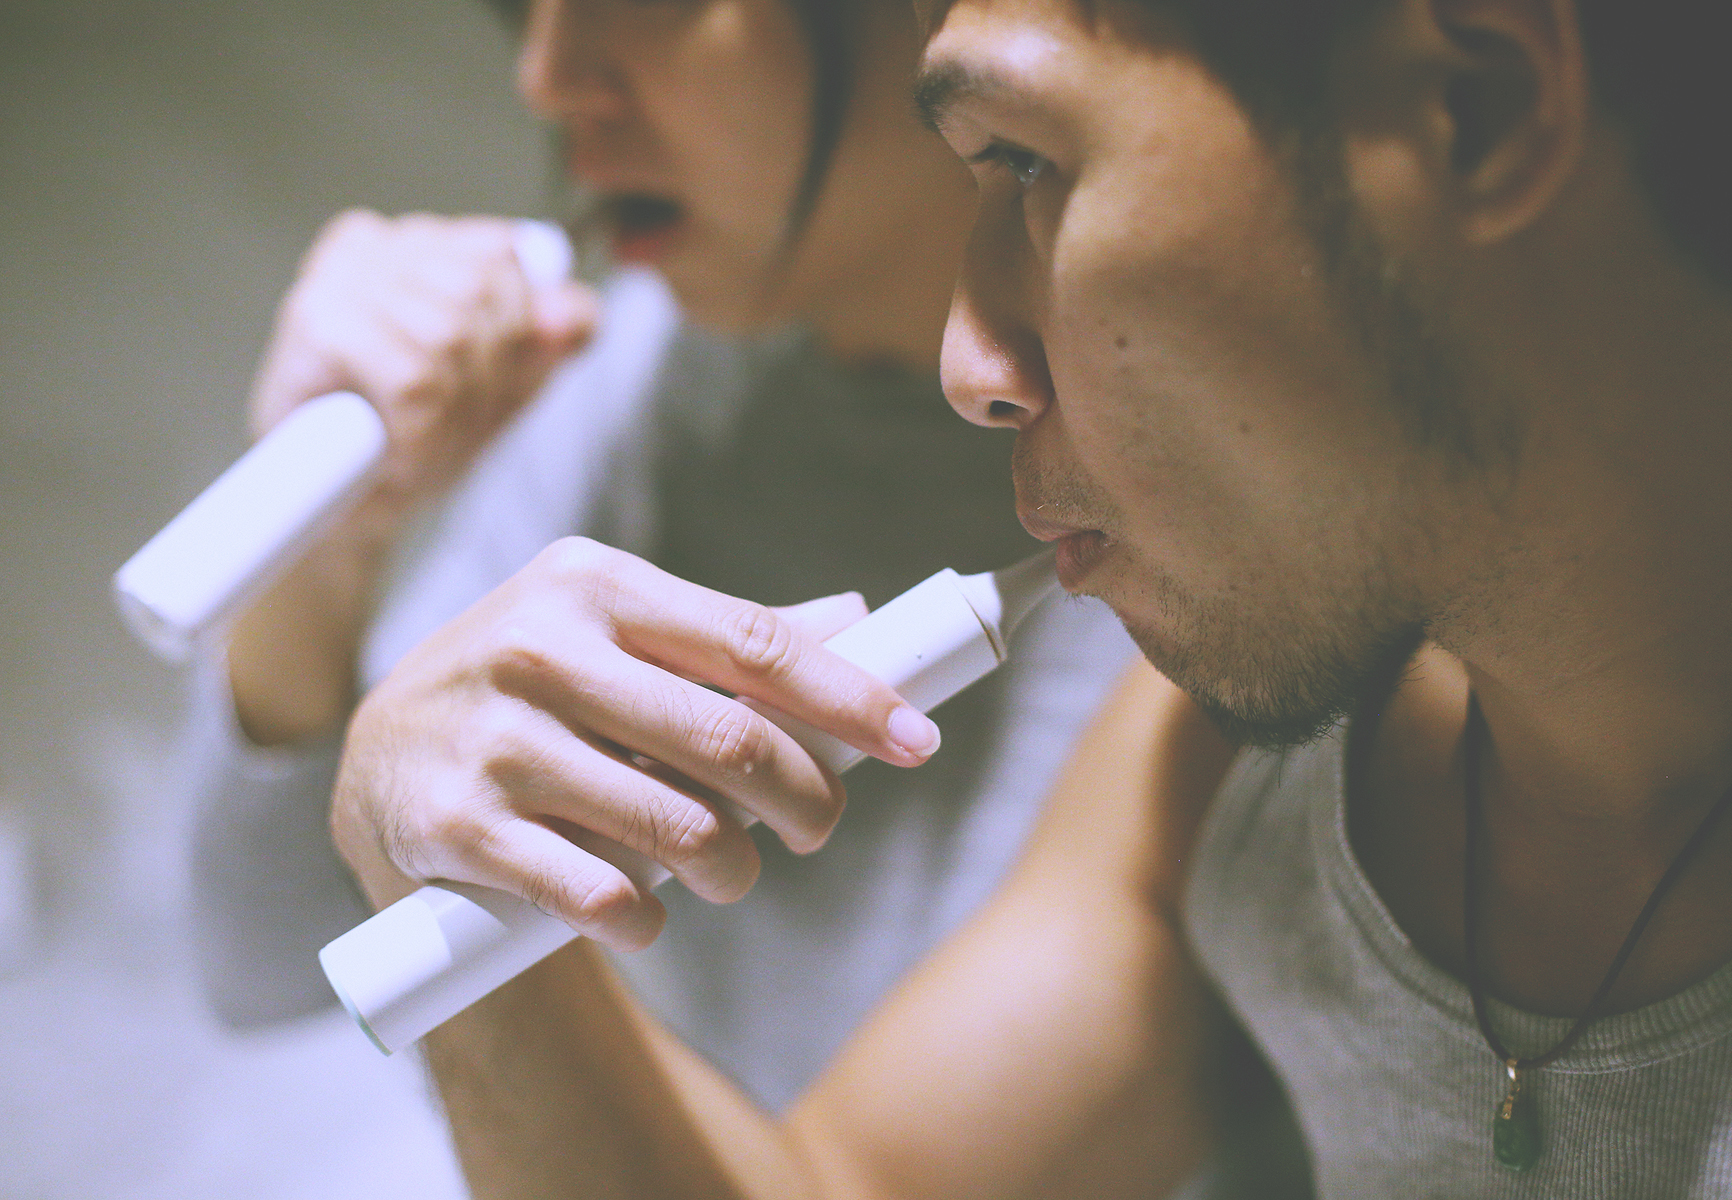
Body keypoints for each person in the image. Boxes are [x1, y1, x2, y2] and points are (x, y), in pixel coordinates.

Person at [319, 0, 1732, 1194]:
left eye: (1026, 163)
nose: (970, 366)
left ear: (1474, 108)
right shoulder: (1220, 762)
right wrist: (443, 865)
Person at [183, 0, 1138, 1119]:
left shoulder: (1184, 512)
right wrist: (333, 541)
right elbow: (266, 955)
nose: (545, 78)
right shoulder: (657, 363)